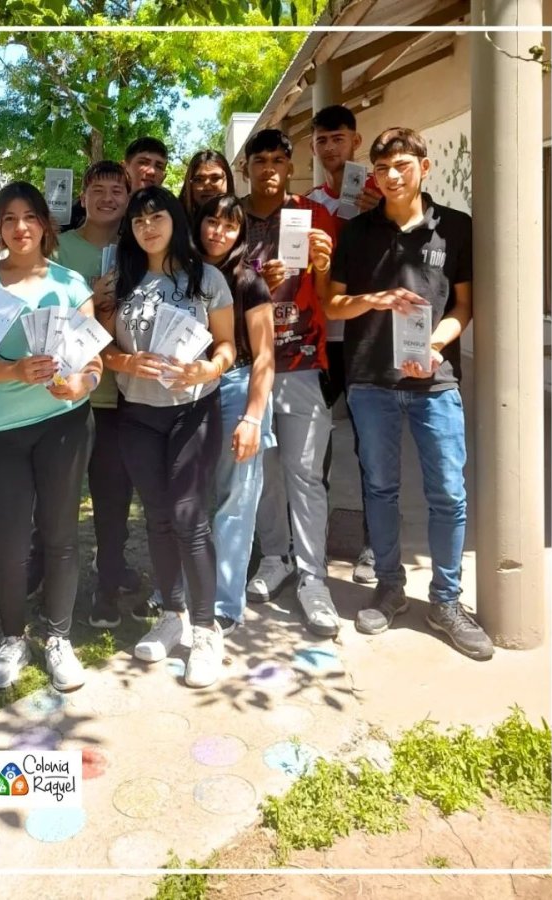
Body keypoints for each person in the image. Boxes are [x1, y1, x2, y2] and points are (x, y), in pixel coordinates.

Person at [325, 127, 493, 661]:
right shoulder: (356, 233)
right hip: (371, 381)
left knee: (448, 491)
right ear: (371, 174)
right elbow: (333, 306)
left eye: (401, 164)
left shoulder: (457, 228)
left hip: (435, 382)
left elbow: (462, 307)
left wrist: (439, 346)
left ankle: (446, 601)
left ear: (424, 166)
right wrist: (375, 299)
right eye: (382, 168)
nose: (392, 175)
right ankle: (391, 587)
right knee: (381, 489)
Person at [0, 182, 102, 692]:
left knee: (60, 535)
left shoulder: (70, 284)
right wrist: (15, 371)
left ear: (45, 224)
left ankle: (58, 638)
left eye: (30, 217)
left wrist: (79, 383)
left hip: (64, 425)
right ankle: (12, 637)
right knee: (10, 542)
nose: (21, 227)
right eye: (9, 218)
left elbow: (94, 361)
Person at [99, 186, 236, 688]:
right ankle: (172, 612)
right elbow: (102, 350)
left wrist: (208, 370)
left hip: (192, 412)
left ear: (175, 221)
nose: (147, 227)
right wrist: (125, 361)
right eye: (138, 221)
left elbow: (227, 346)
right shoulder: (120, 281)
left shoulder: (206, 278)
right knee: (156, 517)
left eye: (157, 217)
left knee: (188, 518)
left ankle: (206, 629)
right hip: (137, 413)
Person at [239, 129, 340, 638]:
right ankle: (274, 557)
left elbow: (326, 292)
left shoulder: (313, 216)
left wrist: (320, 264)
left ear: (291, 165)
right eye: (261, 160)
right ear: (247, 167)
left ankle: (313, 577)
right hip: (247, 363)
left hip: (301, 361)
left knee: (304, 473)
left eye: (280, 159)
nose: (271, 168)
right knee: (264, 471)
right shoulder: (229, 217)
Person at [56, 162, 141, 627]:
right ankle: (47, 582)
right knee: (57, 501)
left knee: (112, 499)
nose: (108, 198)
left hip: (118, 395)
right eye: (98, 189)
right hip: (65, 395)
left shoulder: (139, 246)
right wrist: (91, 297)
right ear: (82, 196)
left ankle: (107, 585)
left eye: (117, 190)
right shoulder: (58, 248)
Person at [193, 195, 275, 636]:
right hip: (187, 388)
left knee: (235, 501)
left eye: (229, 226)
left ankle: (225, 602)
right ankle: (183, 591)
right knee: (190, 496)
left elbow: (265, 357)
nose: (218, 232)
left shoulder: (249, 281)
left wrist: (254, 417)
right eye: (211, 222)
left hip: (236, 387)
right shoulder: (180, 273)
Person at [307, 105, 381, 585]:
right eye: (322, 140)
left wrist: (381, 220)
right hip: (319, 341)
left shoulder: (383, 193)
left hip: (368, 339)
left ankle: (376, 546)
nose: (331, 147)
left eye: (338, 138)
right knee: (315, 448)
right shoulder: (307, 203)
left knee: (373, 447)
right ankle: (308, 542)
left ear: (356, 142)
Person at [178, 150, 235, 221]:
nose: (208, 187)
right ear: (189, 185)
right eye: (199, 180)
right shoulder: (175, 222)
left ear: (228, 180)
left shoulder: (243, 220)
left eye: (216, 178)